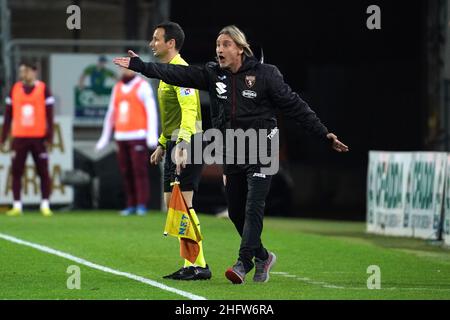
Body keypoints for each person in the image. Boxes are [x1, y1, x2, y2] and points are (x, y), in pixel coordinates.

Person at [113, 25, 349, 284]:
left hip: (262, 148)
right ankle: (263, 256)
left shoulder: (266, 75)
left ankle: (243, 262)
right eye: (217, 45)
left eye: (225, 44)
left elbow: (295, 106)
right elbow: (178, 73)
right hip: (233, 149)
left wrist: (323, 133)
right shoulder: (214, 74)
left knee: (252, 207)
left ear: (240, 48)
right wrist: (141, 66)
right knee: (235, 211)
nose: (219, 50)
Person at [148, 22, 211, 280]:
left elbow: (190, 112)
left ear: (170, 43)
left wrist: (183, 145)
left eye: (156, 39)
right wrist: (163, 143)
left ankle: (198, 265)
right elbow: (172, 116)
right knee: (172, 204)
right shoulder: (167, 73)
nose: (152, 43)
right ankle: (191, 264)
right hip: (176, 141)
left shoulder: (182, 72)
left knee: (183, 204)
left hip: (190, 142)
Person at [95, 68, 158, 216]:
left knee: (139, 171)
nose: (125, 71)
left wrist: (152, 135)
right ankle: (130, 204)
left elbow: (151, 111)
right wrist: (104, 138)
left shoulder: (142, 85)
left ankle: (141, 204)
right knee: (126, 172)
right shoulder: (117, 87)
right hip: (121, 135)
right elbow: (111, 112)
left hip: (138, 134)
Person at [0, 61, 55, 217]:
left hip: (39, 138)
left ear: (34, 72)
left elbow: (50, 116)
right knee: (17, 172)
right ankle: (17, 205)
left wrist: (49, 137)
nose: (22, 74)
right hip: (19, 137)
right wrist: (3, 137)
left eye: (25, 71)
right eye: (21, 71)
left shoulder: (43, 89)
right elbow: (8, 115)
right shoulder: (15, 89)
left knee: (43, 172)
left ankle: (45, 204)